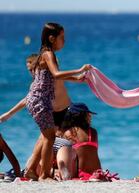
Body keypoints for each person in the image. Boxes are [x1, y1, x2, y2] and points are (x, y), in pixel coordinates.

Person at [0, 53, 81, 181]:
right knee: (46, 138)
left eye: (33, 69)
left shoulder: (49, 76)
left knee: (45, 138)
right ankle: (37, 171)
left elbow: (62, 76)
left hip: (62, 111)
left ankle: (33, 170)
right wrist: (9, 114)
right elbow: (28, 99)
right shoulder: (37, 82)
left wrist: (80, 77)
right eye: (29, 70)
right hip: (52, 111)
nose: (31, 73)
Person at [25, 23, 90, 181]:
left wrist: (77, 79)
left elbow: (54, 76)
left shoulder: (45, 54)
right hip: (40, 101)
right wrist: (79, 70)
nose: (64, 41)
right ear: (52, 38)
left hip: (39, 100)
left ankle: (32, 171)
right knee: (49, 137)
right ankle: (45, 174)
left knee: (47, 136)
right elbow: (57, 73)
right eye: (62, 38)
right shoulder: (48, 54)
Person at [61, 103, 102, 181]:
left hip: (80, 174)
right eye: (88, 114)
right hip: (97, 172)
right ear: (82, 116)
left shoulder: (69, 133)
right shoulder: (93, 132)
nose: (90, 117)